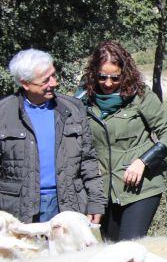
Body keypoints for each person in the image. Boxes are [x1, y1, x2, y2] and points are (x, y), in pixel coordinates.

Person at [79, 41, 167, 241]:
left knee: (129, 249)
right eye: (102, 77)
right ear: (93, 73)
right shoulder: (83, 99)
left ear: (124, 73)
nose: (108, 83)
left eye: (115, 77)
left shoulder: (141, 96)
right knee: (111, 249)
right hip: (103, 191)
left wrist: (143, 161)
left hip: (140, 189)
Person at [0, 49, 105, 224]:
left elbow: (88, 160)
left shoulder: (73, 109)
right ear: (25, 83)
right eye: (46, 80)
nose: (54, 83)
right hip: (17, 210)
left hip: (68, 206)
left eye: (54, 75)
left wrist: (96, 202)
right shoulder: (3, 113)